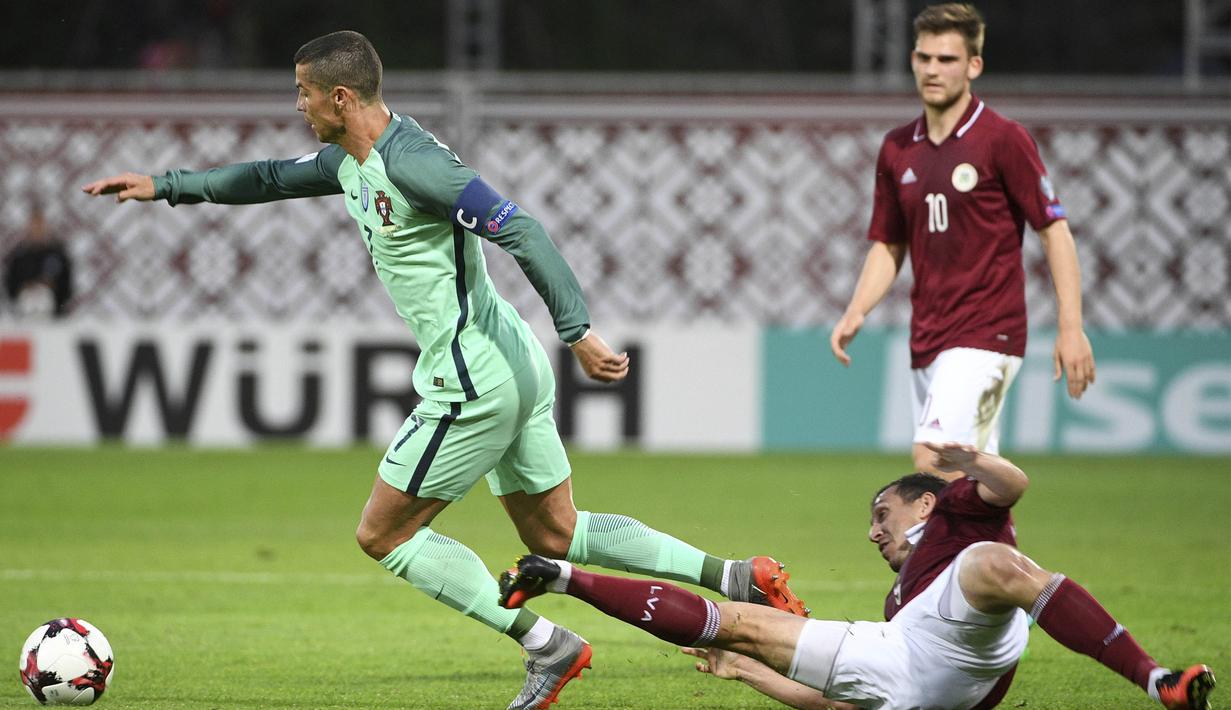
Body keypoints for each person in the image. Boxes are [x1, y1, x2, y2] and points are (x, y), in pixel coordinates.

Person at [81, 30, 810, 710]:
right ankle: (735, 577)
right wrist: (166, 184)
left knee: (383, 535)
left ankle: (545, 643)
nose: (297, 105)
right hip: (511, 361)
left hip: (473, 378)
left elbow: (519, 227)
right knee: (554, 536)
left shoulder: (415, 165)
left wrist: (579, 331)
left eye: (303, 92)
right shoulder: (349, 161)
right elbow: (269, 177)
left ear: (340, 98)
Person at [500, 442, 1216, 710]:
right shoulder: (896, 599)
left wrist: (967, 458)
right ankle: (560, 577)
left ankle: (1156, 681)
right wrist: (744, 673)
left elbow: (1013, 482)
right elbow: (834, 703)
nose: (874, 530)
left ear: (926, 501)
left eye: (882, 512)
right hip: (914, 664)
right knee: (741, 628)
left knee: (994, 566)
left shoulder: (960, 518)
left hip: (963, 649)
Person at [828, 3, 1096, 479]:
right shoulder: (897, 148)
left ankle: (940, 556)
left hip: (988, 332)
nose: (932, 70)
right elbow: (889, 244)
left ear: (974, 65)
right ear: (912, 60)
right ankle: (997, 555)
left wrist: (1070, 327)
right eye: (924, 57)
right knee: (973, 483)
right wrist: (857, 310)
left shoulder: (1002, 139)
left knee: (935, 456)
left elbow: (1054, 231)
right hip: (928, 335)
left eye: (946, 59)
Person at [4, 203, 73, 318]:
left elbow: (67, 287)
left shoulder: (58, 255)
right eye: (34, 225)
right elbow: (10, 285)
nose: (37, 229)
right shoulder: (18, 256)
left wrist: (50, 287)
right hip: (23, 315)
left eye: (40, 224)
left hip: (53, 317)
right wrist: (26, 287)